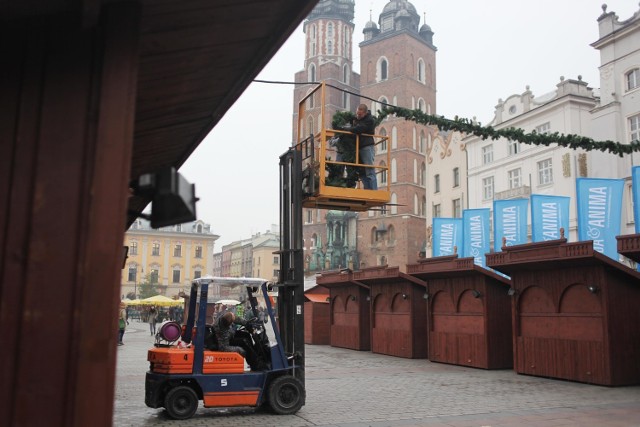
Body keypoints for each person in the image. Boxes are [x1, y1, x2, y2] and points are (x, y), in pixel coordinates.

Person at [345, 103, 377, 190]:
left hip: (366, 146)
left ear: (365, 113)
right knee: (361, 170)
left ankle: (373, 190)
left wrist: (347, 129)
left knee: (369, 169)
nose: (358, 116)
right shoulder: (357, 118)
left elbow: (358, 129)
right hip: (359, 146)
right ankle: (367, 189)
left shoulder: (369, 120)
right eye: (357, 114)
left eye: (360, 114)